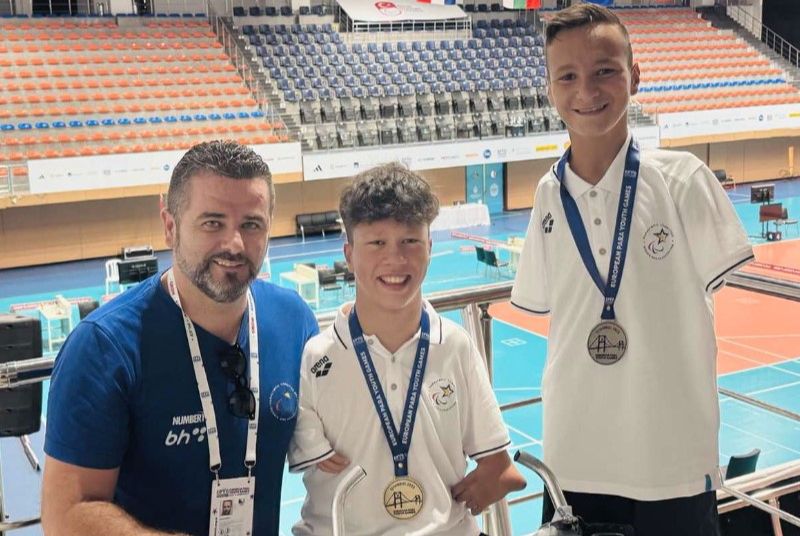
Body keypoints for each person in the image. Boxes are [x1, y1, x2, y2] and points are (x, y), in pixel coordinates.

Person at [510, 5, 754, 535]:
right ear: (550, 90)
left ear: (634, 77)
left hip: (671, 461)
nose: (586, 90)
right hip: (574, 458)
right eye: (567, 76)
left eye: (604, 70)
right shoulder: (548, 195)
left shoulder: (683, 179)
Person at [41, 140, 319, 536]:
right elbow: (66, 516)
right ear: (170, 225)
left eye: (251, 224)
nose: (234, 244)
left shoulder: (294, 322)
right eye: (213, 223)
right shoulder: (104, 348)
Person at [288, 163, 526, 535]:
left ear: (429, 247)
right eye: (377, 243)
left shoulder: (454, 346)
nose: (395, 259)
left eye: (410, 241)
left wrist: (490, 482)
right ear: (349, 254)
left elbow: (499, 466)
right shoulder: (318, 357)